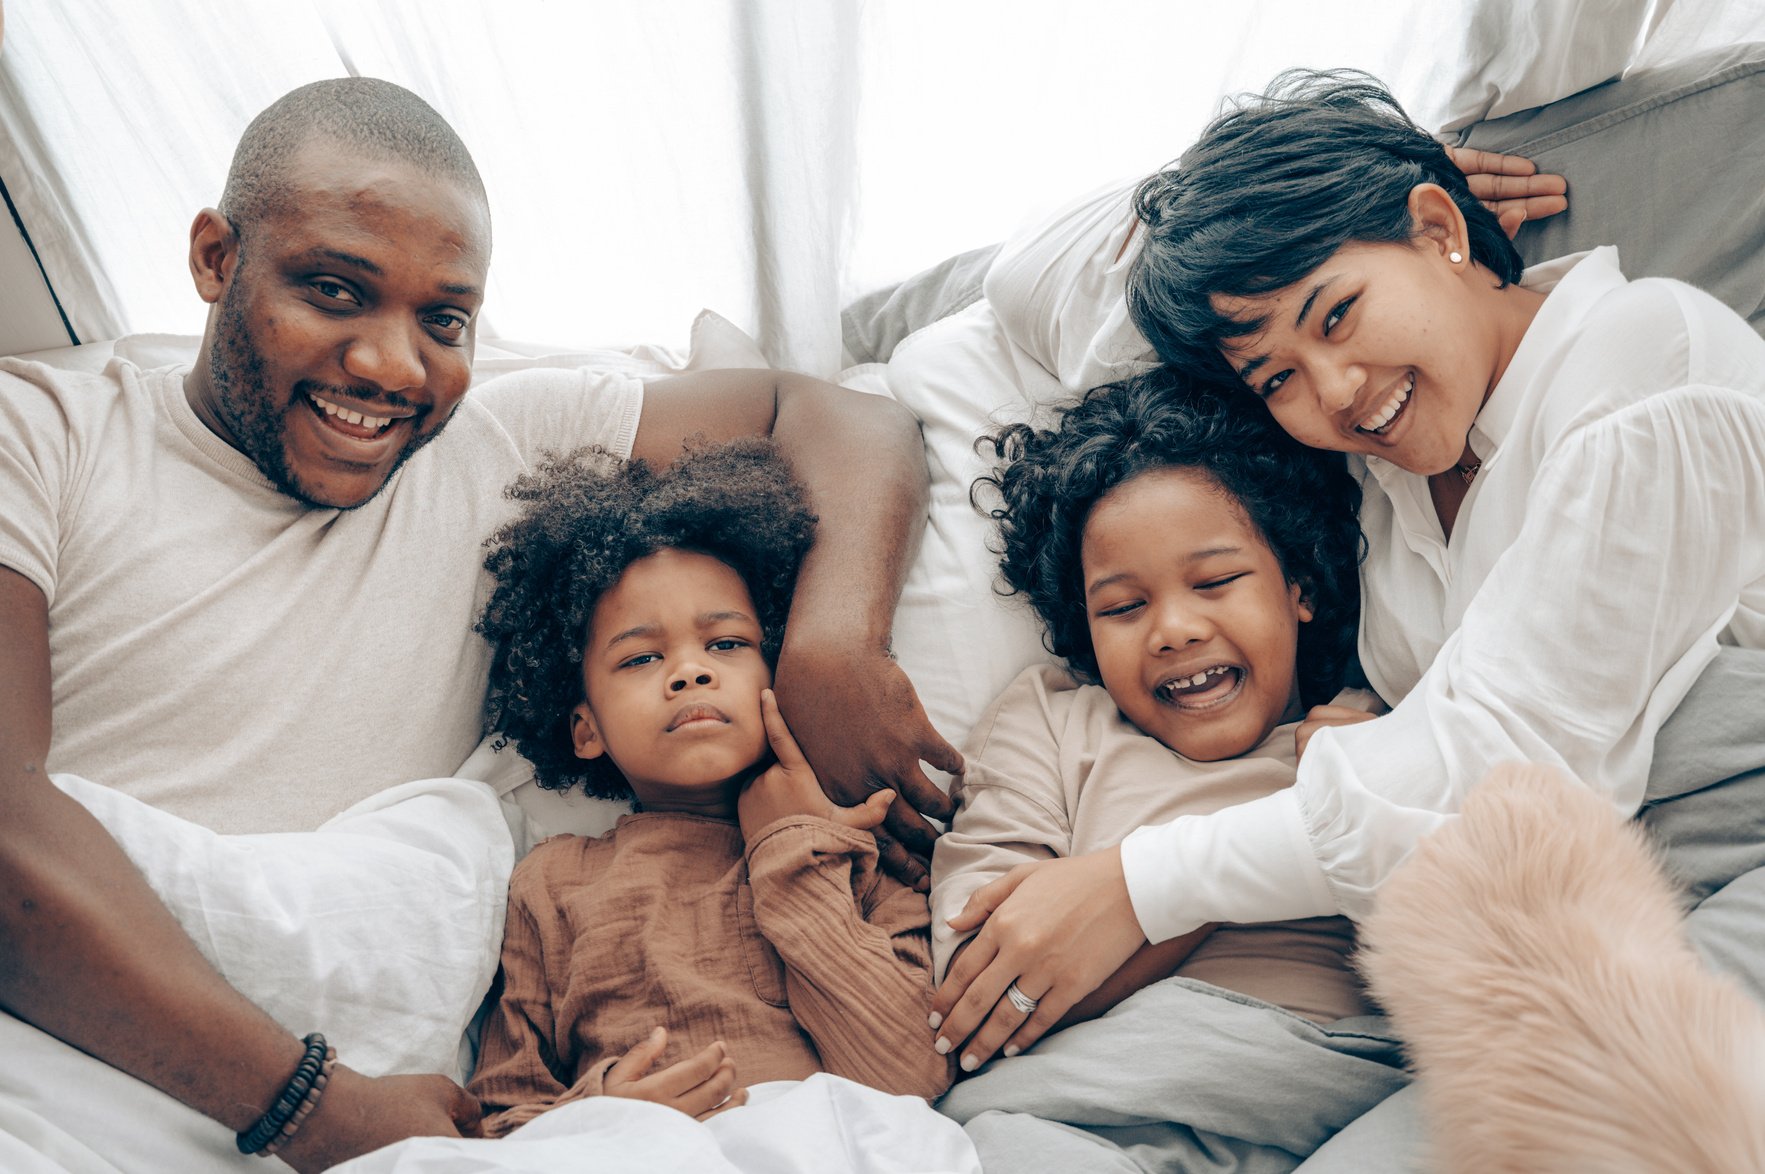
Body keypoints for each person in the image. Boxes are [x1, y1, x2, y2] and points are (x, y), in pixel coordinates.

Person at [0, 78, 956, 1171]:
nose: (393, 365)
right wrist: (311, 1106)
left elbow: (833, 413)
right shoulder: (41, 431)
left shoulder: (498, 445)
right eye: (333, 289)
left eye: (443, 319)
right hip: (80, 1070)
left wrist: (831, 646)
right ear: (217, 258)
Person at [929, 66, 1765, 1108]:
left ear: (1438, 232)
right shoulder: (1384, 473)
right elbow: (1033, 298)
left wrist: (1137, 885)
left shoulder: (1641, 363)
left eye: (1337, 315)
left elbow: (1504, 773)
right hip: (1546, 926)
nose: (1331, 394)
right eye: (1276, 377)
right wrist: (1280, 215)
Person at [927, 372, 1410, 1170]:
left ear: (1298, 585)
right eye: (1122, 607)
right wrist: (1258, 854)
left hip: (1331, 1094)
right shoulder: (1051, 720)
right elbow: (982, 988)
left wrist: (1355, 797)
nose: (1174, 629)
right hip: (1078, 1112)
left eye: (1216, 582)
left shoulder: (1378, 726)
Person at [464, 439, 953, 1138]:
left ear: (777, 668)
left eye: (725, 645)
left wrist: (791, 853)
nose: (689, 672)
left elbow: (910, 1075)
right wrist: (605, 1109)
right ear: (584, 729)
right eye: (640, 657)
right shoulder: (552, 883)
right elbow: (502, 1120)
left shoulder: (854, 847)